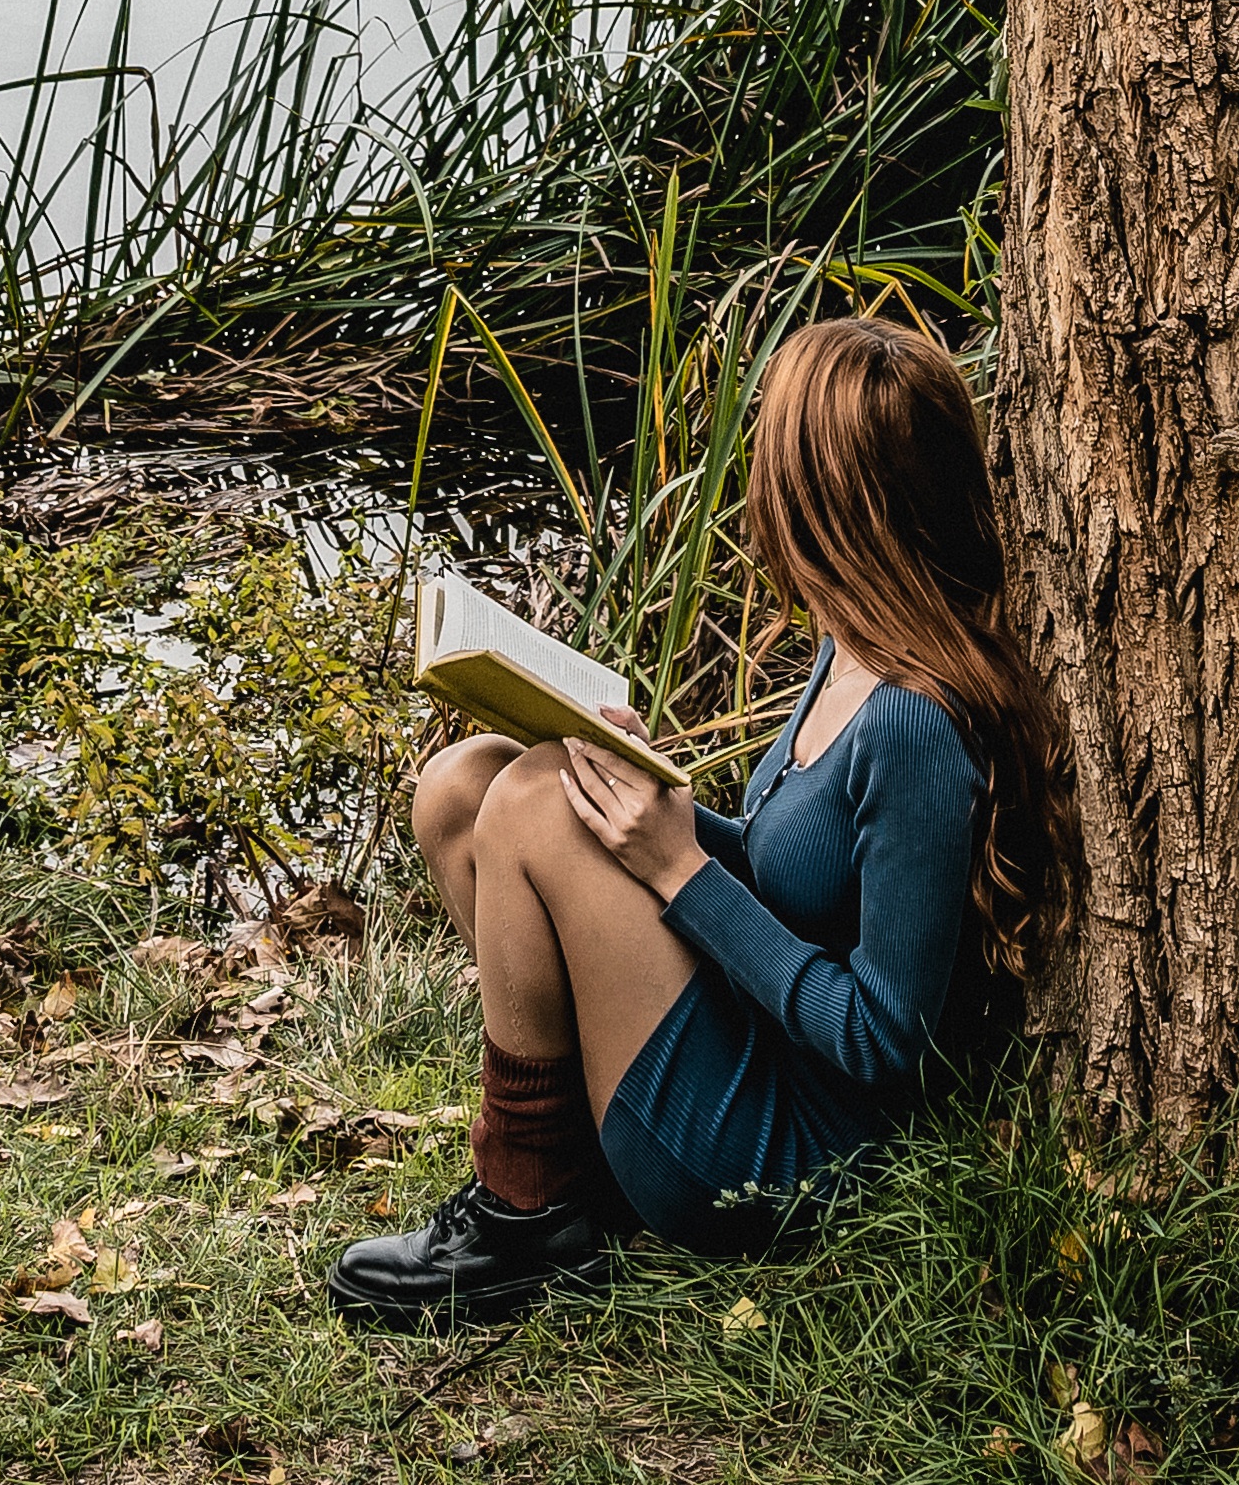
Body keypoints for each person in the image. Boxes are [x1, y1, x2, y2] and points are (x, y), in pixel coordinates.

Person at [331, 311, 1046, 1329]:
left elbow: (884, 1037)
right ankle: (573, 1169)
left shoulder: (915, 723)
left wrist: (678, 868)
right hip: (752, 1044)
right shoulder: (853, 643)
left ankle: (526, 1210)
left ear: (818, 500)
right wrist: (648, 791)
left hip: (785, 1154)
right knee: (465, 778)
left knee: (534, 799)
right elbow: (791, 874)